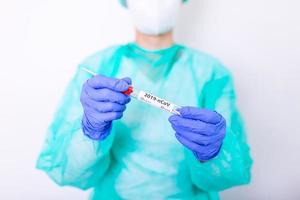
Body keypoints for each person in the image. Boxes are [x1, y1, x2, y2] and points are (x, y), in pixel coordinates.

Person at [37, 0, 253, 199]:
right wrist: (91, 131)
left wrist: (213, 152)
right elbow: (68, 173)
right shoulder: (98, 67)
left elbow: (229, 176)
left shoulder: (211, 72)